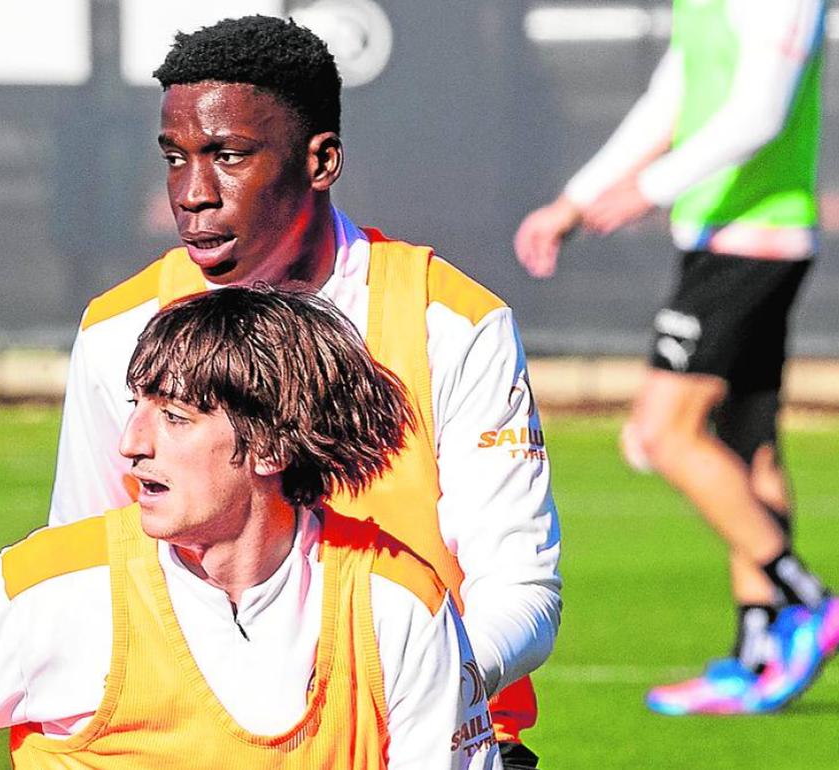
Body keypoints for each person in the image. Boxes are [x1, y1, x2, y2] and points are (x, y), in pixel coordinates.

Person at [50, 16, 559, 765]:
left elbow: (523, 597)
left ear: (321, 162)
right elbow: (79, 581)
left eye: (228, 156)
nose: (193, 193)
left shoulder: (451, 324)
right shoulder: (117, 333)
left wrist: (385, 695)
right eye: (175, 158)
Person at [0, 286, 502, 769]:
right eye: (137, 406)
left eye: (176, 418)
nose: (131, 443)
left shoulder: (399, 604)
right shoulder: (51, 587)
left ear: (272, 448)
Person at [514, 0, 839, 715]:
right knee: (747, 446)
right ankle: (757, 657)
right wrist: (574, 203)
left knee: (662, 434)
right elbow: (669, 98)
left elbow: (760, 114)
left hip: (754, 241)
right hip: (717, 235)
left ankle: (807, 601)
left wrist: (648, 188)